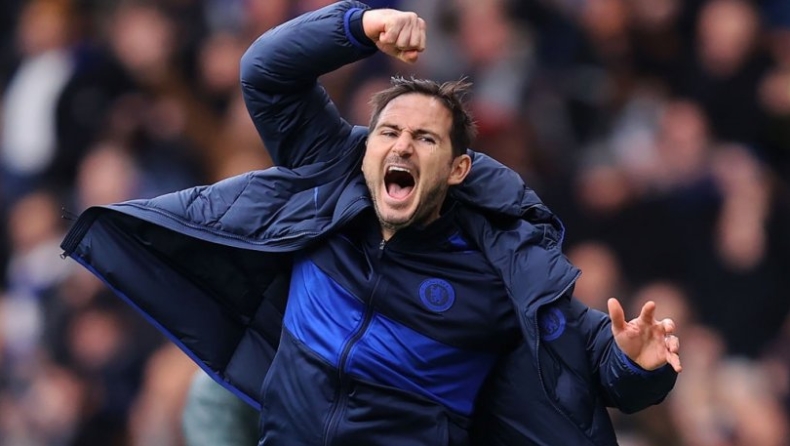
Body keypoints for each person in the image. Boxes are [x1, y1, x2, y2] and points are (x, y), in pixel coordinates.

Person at [60, 2, 681, 445]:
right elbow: (266, 73)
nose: (402, 145)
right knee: (205, 400)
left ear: (458, 168)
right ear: (366, 150)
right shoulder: (331, 184)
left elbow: (595, 367)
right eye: (388, 132)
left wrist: (636, 364)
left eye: (424, 138)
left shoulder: (501, 265)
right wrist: (358, 24)